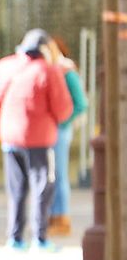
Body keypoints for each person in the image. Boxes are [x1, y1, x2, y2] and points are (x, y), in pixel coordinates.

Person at [0, 29, 74, 252]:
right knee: (43, 187)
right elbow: (63, 108)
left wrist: (0, 117)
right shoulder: (48, 71)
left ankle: (15, 238)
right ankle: (40, 238)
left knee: (16, 189)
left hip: (10, 137)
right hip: (40, 139)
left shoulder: (5, 65)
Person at [46, 37, 89, 238]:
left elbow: (81, 103)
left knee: (59, 174)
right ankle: (52, 215)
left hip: (61, 130)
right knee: (49, 175)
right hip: (49, 129)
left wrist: (63, 120)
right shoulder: (50, 70)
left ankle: (61, 217)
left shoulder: (66, 71)